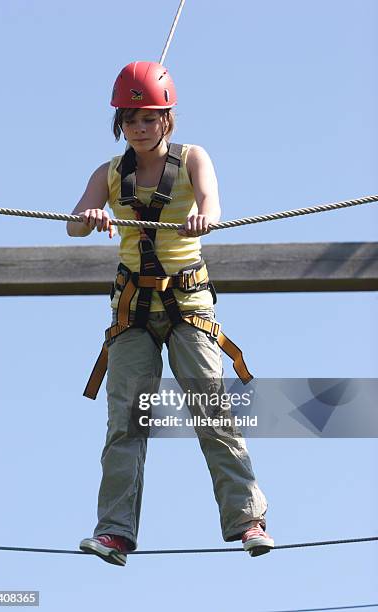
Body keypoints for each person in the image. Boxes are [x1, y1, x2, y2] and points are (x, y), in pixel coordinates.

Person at [66, 61, 274, 567]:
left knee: (212, 410)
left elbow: (212, 206)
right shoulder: (109, 174)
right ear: (121, 124)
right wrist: (90, 216)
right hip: (132, 311)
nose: (140, 128)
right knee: (125, 423)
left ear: (167, 119)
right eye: (131, 119)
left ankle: (248, 519)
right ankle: (114, 532)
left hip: (187, 305)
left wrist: (203, 217)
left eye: (149, 118)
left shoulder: (193, 158)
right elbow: (73, 227)